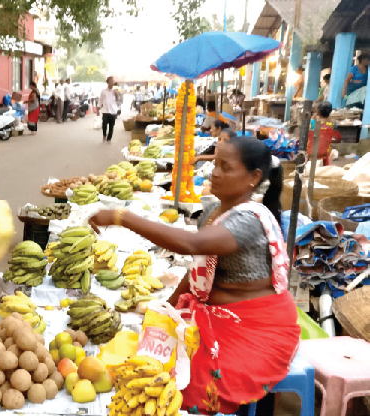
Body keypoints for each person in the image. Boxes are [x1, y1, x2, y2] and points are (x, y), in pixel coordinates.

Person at [89, 136, 297, 414]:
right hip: (215, 314)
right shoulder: (212, 211)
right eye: (215, 164)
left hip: (255, 327)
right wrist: (166, 307)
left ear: (253, 177)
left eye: (226, 167)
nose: (215, 172)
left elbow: (191, 246)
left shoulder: (248, 221)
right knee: (150, 363)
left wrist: (121, 217)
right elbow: (198, 268)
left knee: (181, 385)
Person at [98, 76, 119, 142]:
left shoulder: (116, 90)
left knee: (111, 126)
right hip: (105, 110)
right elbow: (100, 100)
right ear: (108, 82)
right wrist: (98, 108)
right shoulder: (103, 91)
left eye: (113, 81)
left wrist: (116, 94)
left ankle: (109, 139)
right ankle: (104, 134)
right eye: (111, 81)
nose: (112, 82)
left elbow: (118, 100)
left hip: (113, 111)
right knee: (104, 124)